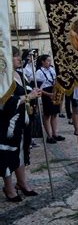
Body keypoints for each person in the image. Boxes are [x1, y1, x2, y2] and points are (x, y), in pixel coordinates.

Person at [1, 46, 42, 202]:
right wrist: (28, 96)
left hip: (23, 121)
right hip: (8, 124)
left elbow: (29, 91)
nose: (19, 58)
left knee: (21, 152)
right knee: (8, 154)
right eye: (15, 56)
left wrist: (35, 93)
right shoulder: (2, 77)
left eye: (18, 56)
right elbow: (4, 102)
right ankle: (9, 188)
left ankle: (22, 183)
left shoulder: (19, 74)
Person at [35, 54, 64, 144]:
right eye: (47, 61)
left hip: (53, 91)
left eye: (50, 61)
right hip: (46, 93)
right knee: (47, 115)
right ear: (42, 62)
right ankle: (49, 136)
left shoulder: (51, 69)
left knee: (54, 114)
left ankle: (55, 134)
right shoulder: (38, 72)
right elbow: (38, 88)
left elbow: (55, 80)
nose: (49, 62)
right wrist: (49, 94)